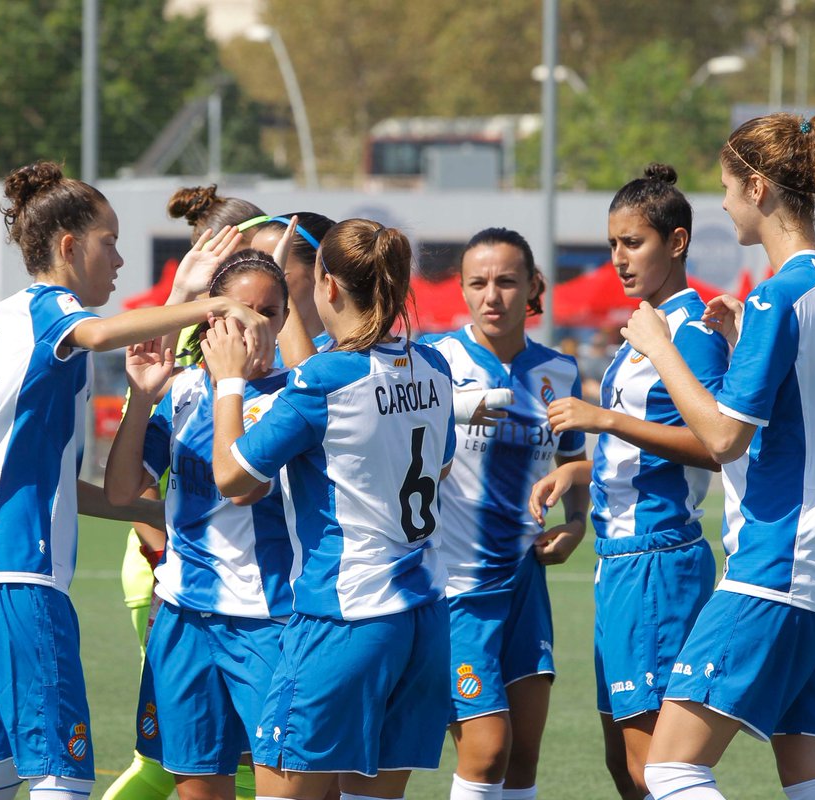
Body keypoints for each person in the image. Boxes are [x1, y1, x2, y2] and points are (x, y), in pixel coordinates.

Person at [0, 161, 270, 800]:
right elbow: (104, 332)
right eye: (109, 242)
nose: (118, 259)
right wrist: (214, 302)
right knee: (62, 773)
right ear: (68, 247)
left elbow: (48, 481)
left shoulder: (3, 319)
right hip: (14, 571)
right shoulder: (52, 309)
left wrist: (159, 513)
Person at [619, 112, 815, 800]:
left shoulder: (777, 295)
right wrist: (739, 347)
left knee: (670, 769)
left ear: (757, 188)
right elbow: (807, 415)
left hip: (774, 567)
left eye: (728, 189)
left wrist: (661, 349)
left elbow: (724, 439)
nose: (725, 205)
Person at [205, 218, 455, 800]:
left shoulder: (325, 380)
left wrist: (228, 383)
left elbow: (232, 478)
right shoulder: (436, 367)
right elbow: (436, 467)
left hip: (343, 617)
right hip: (422, 617)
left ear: (329, 286)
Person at [529, 165, 728, 799]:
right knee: (624, 766)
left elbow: (717, 446)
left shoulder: (691, 333)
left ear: (678, 242)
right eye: (613, 243)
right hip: (618, 564)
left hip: (657, 563)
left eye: (633, 243)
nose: (618, 258)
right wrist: (579, 469)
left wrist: (603, 418)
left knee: (655, 770)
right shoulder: (642, 330)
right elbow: (640, 452)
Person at [105, 249, 294, 800]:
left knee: (290, 785)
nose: (254, 326)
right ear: (210, 318)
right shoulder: (184, 390)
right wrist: (142, 397)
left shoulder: (296, 394)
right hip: (183, 617)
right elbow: (121, 491)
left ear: (286, 318)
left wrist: (231, 384)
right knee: (196, 789)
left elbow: (244, 489)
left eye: (269, 312)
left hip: (269, 620)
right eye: (240, 312)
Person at [424, 227, 589, 800]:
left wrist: (576, 523)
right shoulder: (435, 362)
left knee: (521, 760)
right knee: (487, 750)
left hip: (525, 583)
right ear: (462, 289)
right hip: (457, 589)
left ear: (534, 286)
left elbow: (575, 462)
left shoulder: (559, 371)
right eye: (478, 283)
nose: (491, 296)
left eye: (507, 281)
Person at [248, 213, 337, 359]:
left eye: (278, 272)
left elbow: (302, 369)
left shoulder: (348, 353)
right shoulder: (252, 348)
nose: (260, 287)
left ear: (317, 271)